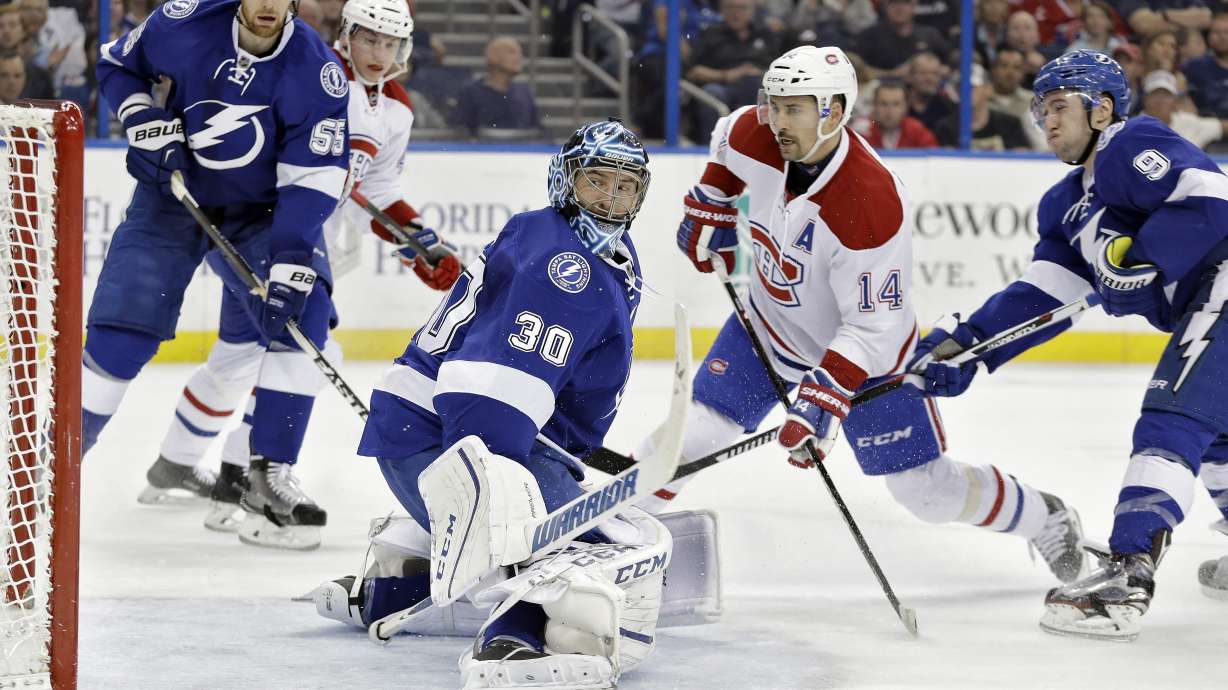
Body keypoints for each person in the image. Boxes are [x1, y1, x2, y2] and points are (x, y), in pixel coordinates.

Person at [651, 45, 1087, 588]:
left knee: (926, 493)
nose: (777, 121)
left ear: (833, 111)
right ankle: (612, 538)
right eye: (774, 105)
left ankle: (1044, 516)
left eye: (795, 109)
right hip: (765, 329)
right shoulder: (754, 132)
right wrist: (713, 197)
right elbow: (725, 138)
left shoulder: (871, 201)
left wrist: (826, 393)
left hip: (868, 362)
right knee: (692, 439)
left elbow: (873, 327)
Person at [333, 119, 666, 688]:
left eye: (624, 186)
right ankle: (514, 634)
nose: (610, 199)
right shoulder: (566, 268)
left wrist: (571, 451)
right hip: (455, 443)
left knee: (574, 519)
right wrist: (507, 510)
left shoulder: (573, 241)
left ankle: (401, 578)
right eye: (596, 182)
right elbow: (491, 391)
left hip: (433, 431)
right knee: (591, 540)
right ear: (566, 181)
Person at [909, 49, 1228, 640]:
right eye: (1041, 110)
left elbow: (1212, 196)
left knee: (1172, 420)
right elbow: (1045, 295)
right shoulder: (1063, 206)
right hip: (1210, 299)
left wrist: (1148, 257)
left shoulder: (1129, 145)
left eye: (1060, 106)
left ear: (1103, 110)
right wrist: (969, 345)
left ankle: (1129, 579)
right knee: (1217, 441)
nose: (1047, 121)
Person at [138, 0, 461, 539]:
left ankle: (175, 461)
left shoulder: (396, 108)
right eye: (370, 40)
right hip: (255, 225)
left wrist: (417, 240)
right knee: (306, 344)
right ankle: (246, 483)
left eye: (390, 44)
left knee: (242, 353)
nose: (379, 54)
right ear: (347, 34)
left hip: (303, 240)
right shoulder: (311, 72)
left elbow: (376, 191)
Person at [88, 0, 350, 549]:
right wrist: (140, 118)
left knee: (305, 314)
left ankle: (266, 476)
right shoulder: (183, 23)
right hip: (172, 196)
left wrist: (291, 260)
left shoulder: (317, 71)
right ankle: (49, 471)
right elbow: (117, 64)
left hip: (262, 212)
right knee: (120, 334)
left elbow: (313, 176)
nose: (267, 5)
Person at [449, 35, 540, 136]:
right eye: (511, 52)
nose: (519, 57)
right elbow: (459, 131)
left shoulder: (524, 93)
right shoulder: (470, 92)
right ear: (492, 56)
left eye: (520, 53)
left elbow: (538, 131)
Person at [1140, 69, 1225, 149]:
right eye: (1155, 94)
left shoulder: (1189, 122)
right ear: (1145, 99)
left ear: (1175, 100)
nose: (1160, 101)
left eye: (1166, 95)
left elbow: (1222, 127)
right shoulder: (1133, 127)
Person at [865, 79, 939, 149]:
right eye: (884, 104)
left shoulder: (917, 131)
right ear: (874, 105)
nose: (890, 111)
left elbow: (935, 158)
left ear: (906, 107)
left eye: (896, 104)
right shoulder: (863, 130)